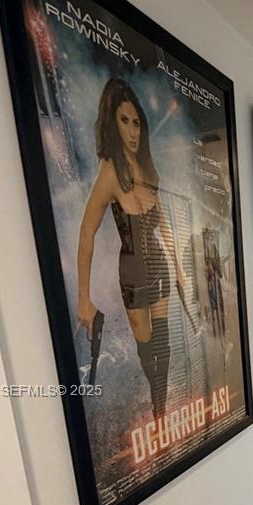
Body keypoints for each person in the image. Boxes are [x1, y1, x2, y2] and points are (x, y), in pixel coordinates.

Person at [76, 78, 185, 419]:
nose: (133, 131)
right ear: (113, 123)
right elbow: (86, 234)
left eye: (137, 122)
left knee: (163, 346)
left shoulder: (148, 170)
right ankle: (158, 402)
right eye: (125, 121)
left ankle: (160, 413)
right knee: (146, 346)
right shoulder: (109, 173)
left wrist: (179, 269)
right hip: (133, 274)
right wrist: (83, 298)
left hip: (159, 268)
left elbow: (164, 225)